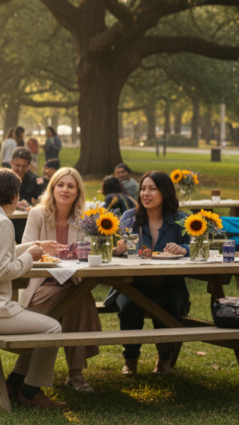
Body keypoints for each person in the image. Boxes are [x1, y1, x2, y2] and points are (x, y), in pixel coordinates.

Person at [0, 169, 65, 409]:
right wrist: (30, 256)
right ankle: (31, 392)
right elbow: (2, 271)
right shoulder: (2, 222)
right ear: (15, 196)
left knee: (41, 323)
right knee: (52, 328)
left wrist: (33, 246)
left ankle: (14, 382)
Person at [20, 167, 101, 393]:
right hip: (40, 285)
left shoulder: (84, 219)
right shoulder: (37, 214)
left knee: (79, 297)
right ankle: (76, 374)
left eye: (71, 186)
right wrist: (51, 254)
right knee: (80, 299)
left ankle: (75, 373)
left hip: (72, 283)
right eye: (60, 185)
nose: (65, 190)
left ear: (77, 192)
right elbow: (28, 251)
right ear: (52, 188)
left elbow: (87, 254)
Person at [110, 171, 190, 375]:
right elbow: (109, 251)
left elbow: (199, 250)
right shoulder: (130, 217)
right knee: (129, 308)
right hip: (131, 284)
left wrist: (184, 250)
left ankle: (164, 360)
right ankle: (130, 360)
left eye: (152, 188)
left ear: (165, 192)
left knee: (168, 306)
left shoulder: (181, 220)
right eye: (143, 188)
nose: (146, 193)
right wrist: (117, 251)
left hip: (168, 283)